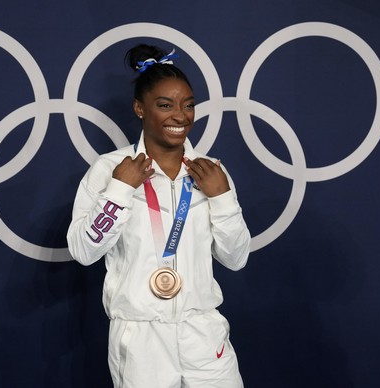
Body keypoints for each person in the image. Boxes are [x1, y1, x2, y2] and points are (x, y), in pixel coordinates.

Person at [67, 43, 251, 388]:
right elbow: (82, 250)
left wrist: (223, 199)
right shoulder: (109, 169)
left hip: (204, 334)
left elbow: (237, 258)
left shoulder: (212, 173)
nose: (180, 116)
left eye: (188, 105)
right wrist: (120, 192)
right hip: (140, 340)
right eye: (165, 105)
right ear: (140, 108)